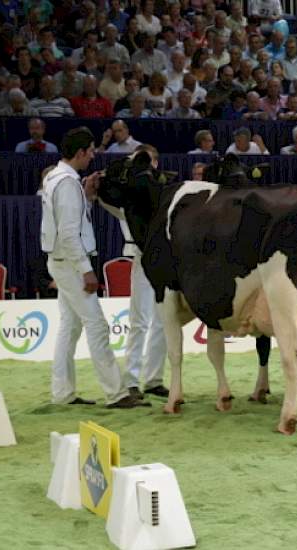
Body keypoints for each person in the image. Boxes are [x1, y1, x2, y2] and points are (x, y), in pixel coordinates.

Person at [39, 127, 147, 408]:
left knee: (70, 327)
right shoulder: (65, 183)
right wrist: (86, 269)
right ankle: (116, 393)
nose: (93, 155)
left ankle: (62, 393)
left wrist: (85, 197)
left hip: (62, 261)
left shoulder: (56, 177)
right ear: (79, 153)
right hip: (71, 264)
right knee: (97, 326)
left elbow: (69, 223)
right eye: (90, 150)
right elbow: (69, 233)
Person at [103, 145, 168, 400]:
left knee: (162, 320)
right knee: (139, 320)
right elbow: (110, 202)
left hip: (161, 258)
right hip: (141, 257)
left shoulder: (161, 192)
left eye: (152, 161)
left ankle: (154, 379)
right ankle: (131, 380)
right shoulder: (128, 193)